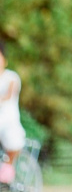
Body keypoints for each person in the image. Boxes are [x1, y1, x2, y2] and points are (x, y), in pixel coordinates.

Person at [0, 41, 26, 186]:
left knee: (13, 139)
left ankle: (8, 168)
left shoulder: (11, 77)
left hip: (8, 120)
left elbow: (9, 94)